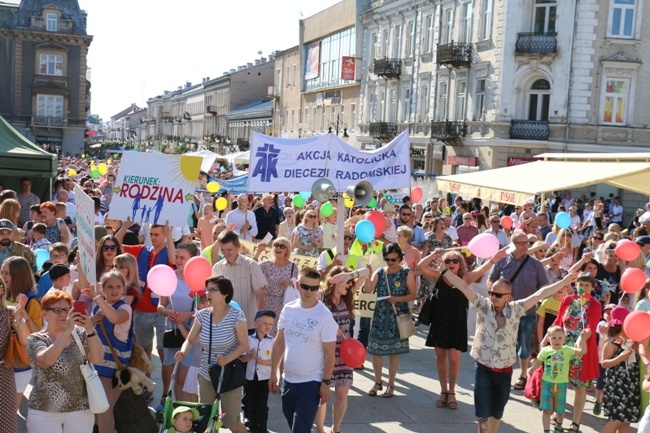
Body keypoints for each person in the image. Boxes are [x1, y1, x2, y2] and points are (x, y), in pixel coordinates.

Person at [443, 269, 577, 433]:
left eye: (498, 295)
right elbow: (464, 286)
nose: (493, 297)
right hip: (483, 367)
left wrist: (564, 282)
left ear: (508, 296)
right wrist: (444, 271)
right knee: (483, 411)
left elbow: (540, 294)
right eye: (491, 293)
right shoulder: (483, 305)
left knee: (497, 412)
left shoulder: (516, 309)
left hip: (505, 370)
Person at [418, 247, 507, 409]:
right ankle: (443, 390)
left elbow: (483, 268)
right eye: (448, 261)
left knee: (454, 358)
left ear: (460, 264)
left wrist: (496, 257)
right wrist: (433, 254)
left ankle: (452, 391)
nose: (451, 263)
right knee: (440, 357)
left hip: (456, 323)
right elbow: (421, 267)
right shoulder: (439, 276)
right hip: (439, 322)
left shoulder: (465, 278)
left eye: (455, 261)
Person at [174, 275, 248, 433]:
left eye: (213, 290)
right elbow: (190, 339)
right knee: (206, 421)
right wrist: (183, 351)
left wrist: (227, 358)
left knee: (232, 422)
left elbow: (244, 345)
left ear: (225, 293)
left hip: (229, 373)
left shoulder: (236, 315)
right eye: (207, 289)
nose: (208, 293)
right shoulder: (202, 315)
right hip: (206, 374)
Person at [269, 266, 338, 433]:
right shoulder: (288, 309)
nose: (309, 292)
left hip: (311, 382)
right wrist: (273, 373)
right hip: (288, 379)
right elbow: (279, 342)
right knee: (293, 423)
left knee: (300, 429)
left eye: (314, 288)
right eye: (306, 287)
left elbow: (330, 352)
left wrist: (326, 382)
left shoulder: (324, 315)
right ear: (298, 285)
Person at [26, 290, 104, 433]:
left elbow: (98, 358)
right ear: (45, 314)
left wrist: (89, 328)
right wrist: (67, 331)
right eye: (57, 310)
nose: (63, 314)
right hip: (44, 412)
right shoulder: (36, 339)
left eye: (67, 310)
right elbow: (46, 360)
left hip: (80, 411)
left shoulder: (81, 333)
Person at [488, 230, 550, 391]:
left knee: (524, 345)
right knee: (502, 343)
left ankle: (523, 375)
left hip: (526, 312)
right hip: (504, 311)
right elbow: (491, 281)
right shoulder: (502, 262)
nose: (525, 246)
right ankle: (499, 373)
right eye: (521, 243)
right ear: (513, 244)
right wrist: (497, 295)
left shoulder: (535, 264)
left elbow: (544, 285)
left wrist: (537, 299)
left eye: (527, 243)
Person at [117, 221, 175, 369]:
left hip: (162, 310)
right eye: (151, 234)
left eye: (157, 234)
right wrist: (124, 228)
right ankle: (146, 388)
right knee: (144, 353)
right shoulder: (142, 250)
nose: (153, 237)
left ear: (164, 235)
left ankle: (165, 391)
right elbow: (116, 246)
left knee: (164, 353)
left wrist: (169, 234)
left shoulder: (169, 252)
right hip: (141, 310)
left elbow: (173, 260)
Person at [82, 271, 134, 433]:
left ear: (124, 289)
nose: (114, 290)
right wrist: (91, 321)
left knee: (104, 411)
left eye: (118, 286)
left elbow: (115, 318)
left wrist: (97, 297)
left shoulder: (125, 307)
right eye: (110, 286)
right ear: (103, 289)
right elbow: (86, 333)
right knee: (96, 412)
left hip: (113, 369)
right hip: (95, 366)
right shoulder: (98, 306)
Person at [362, 243, 416, 398]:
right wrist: (368, 275)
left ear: (399, 257)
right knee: (375, 351)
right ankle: (378, 381)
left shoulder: (407, 273)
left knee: (394, 353)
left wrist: (397, 299)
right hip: (380, 316)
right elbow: (367, 289)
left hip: (397, 317)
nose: (390, 263)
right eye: (387, 259)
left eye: (393, 259)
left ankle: (391, 384)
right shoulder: (380, 272)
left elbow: (413, 294)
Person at [315, 266, 365, 433]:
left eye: (351, 282)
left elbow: (367, 272)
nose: (350, 285)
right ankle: (320, 429)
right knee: (322, 396)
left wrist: (350, 275)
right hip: (324, 352)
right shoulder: (321, 296)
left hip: (345, 353)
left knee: (342, 394)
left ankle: (336, 429)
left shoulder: (347, 297)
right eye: (347, 282)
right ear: (336, 281)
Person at [552, 272, 602, 433]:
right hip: (562, 348)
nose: (583, 287)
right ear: (576, 286)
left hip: (581, 353)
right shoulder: (567, 300)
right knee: (558, 385)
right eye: (580, 284)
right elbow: (558, 321)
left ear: (593, 288)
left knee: (579, 387)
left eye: (587, 285)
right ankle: (558, 418)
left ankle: (576, 422)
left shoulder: (595, 305)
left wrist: (585, 334)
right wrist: (548, 336)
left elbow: (591, 326)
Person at [158, 242, 199, 401]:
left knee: (184, 378)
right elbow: (161, 305)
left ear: (192, 259)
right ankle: (175, 408)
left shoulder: (199, 280)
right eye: (177, 257)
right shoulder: (169, 277)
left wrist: (186, 315)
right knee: (173, 375)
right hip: (172, 329)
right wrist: (166, 311)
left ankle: (185, 413)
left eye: (183, 257)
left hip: (190, 332)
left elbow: (204, 309)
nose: (179, 260)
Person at [528, 326, 588, 433]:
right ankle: (546, 430)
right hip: (547, 384)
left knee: (560, 411)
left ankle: (558, 426)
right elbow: (538, 362)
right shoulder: (545, 351)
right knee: (547, 410)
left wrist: (583, 339)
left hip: (561, 385)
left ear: (564, 339)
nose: (557, 341)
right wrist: (532, 368)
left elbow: (582, 351)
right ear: (548, 339)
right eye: (554, 338)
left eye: (560, 338)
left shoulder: (567, 350)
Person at [2, 255, 42, 407]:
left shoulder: (31, 301)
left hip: (18, 362)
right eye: (2, 272)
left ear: (18, 276)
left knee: (8, 410)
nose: (2, 277)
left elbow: (37, 333)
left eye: (7, 273)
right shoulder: (3, 295)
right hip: (3, 361)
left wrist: (22, 313)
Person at [212, 230, 268, 327]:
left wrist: (261, 319)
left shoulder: (251, 265)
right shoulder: (217, 268)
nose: (225, 253)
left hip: (249, 324)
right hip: (225, 326)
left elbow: (260, 294)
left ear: (238, 247)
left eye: (229, 250)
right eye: (222, 250)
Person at [601, 306, 640, 432]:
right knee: (617, 421)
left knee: (626, 422)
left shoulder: (632, 340)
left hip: (631, 384)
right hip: (617, 385)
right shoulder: (611, 343)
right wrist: (619, 358)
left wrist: (638, 349)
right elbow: (604, 363)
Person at [0, 276, 29, 433]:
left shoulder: (10, 313)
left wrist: (19, 318)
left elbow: (25, 340)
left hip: (3, 376)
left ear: (2, 289)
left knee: (5, 425)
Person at [241, 310, 275, 433]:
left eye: (271, 324)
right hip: (250, 378)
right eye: (264, 323)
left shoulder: (272, 341)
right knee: (251, 404)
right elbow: (242, 359)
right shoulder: (248, 340)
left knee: (262, 405)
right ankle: (253, 428)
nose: (268, 326)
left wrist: (263, 362)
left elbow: (275, 360)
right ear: (256, 324)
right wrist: (250, 356)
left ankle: (263, 428)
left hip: (264, 378)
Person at [255, 237, 297, 336]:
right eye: (276, 245)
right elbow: (252, 272)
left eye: (282, 246)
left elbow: (298, 284)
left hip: (285, 304)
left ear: (287, 250)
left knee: (281, 333)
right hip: (267, 303)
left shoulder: (293, 267)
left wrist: (290, 282)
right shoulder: (265, 265)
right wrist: (258, 252)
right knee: (266, 332)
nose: (278, 248)